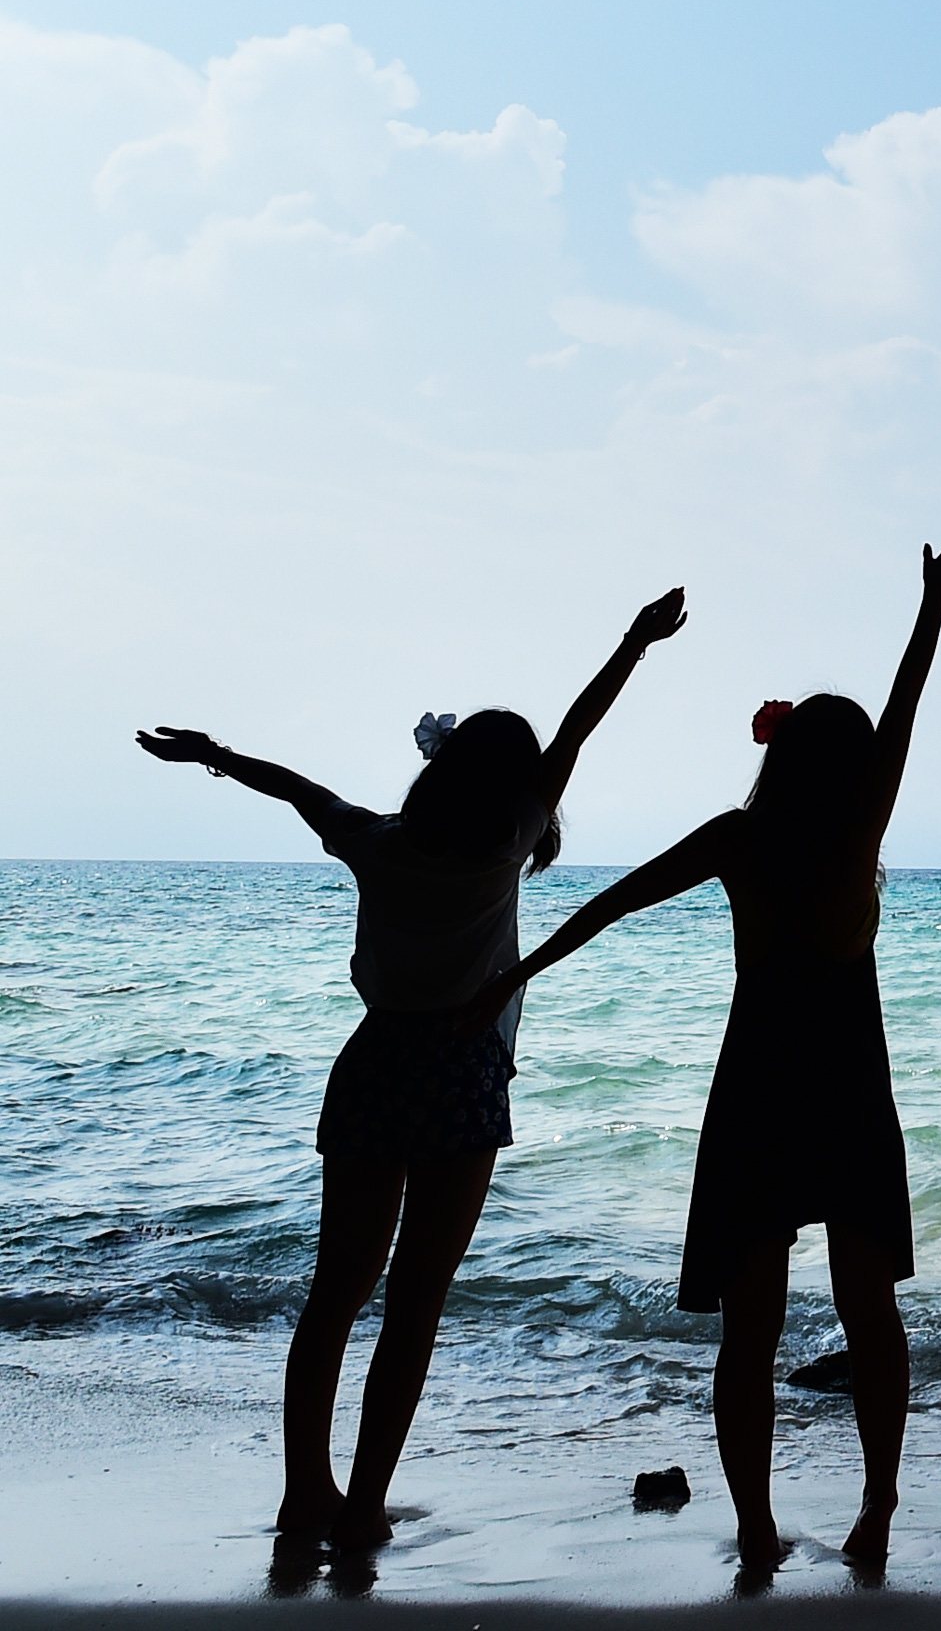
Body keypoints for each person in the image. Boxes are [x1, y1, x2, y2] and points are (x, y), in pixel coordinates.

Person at [458, 525, 941, 1572]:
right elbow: (908, 707)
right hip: (847, 1087)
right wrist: (933, 602)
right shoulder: (856, 833)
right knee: (868, 1308)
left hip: (758, 1089)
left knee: (751, 1327)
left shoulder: (739, 837)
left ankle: (756, 1523)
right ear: (852, 768)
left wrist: (517, 974)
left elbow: (610, 903)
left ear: (778, 759)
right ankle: (876, 1505)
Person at [134, 588, 690, 1548]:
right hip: (460, 1077)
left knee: (333, 1294)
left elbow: (293, 785)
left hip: (374, 1063)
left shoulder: (376, 841)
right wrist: (636, 641)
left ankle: (301, 1491)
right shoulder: (511, 843)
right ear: (517, 792)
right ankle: (363, 1504)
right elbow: (577, 731)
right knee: (415, 1303)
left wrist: (210, 754)